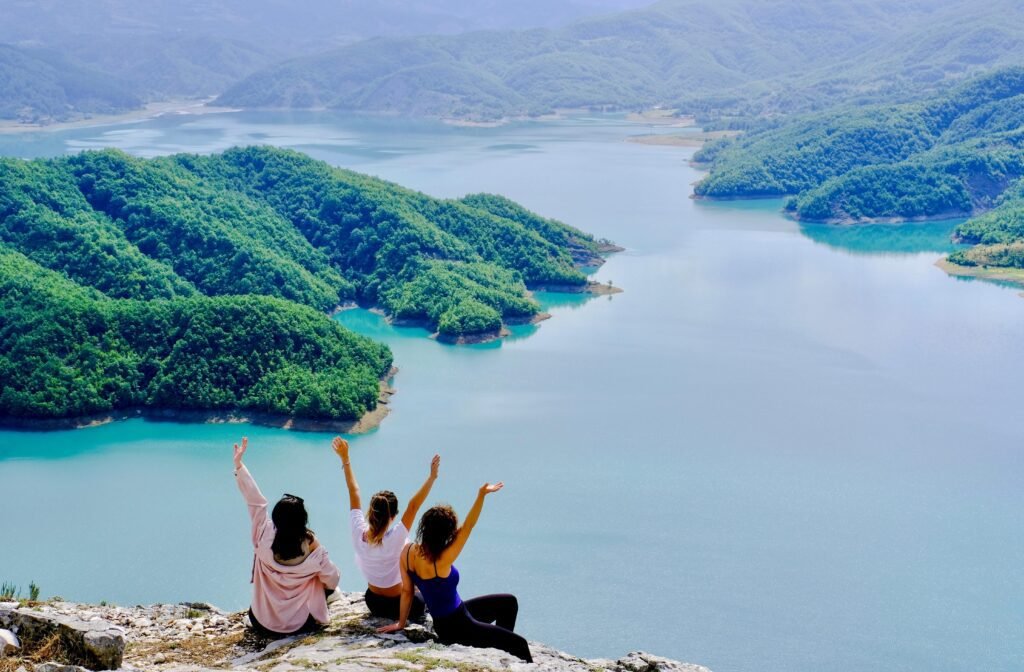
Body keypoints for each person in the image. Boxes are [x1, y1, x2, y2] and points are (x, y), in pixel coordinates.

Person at [379, 482, 533, 663]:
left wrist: (401, 623)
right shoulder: (443, 559)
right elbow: (468, 526)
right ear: (445, 535)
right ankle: (506, 649)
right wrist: (481, 496)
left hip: (447, 621)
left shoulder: (407, 553)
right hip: (460, 627)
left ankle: (501, 656)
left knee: (508, 603)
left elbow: (407, 592)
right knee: (520, 644)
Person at [234, 437, 340, 637]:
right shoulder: (311, 547)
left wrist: (239, 465)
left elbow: (255, 501)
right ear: (303, 521)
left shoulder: (262, 534)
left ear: (276, 518)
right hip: (298, 625)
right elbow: (332, 579)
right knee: (321, 579)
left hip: (261, 621)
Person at [333, 436, 438, 621]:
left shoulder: (358, 531)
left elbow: (354, 491)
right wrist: (432, 477)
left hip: (373, 602)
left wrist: (345, 459)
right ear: (393, 516)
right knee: (423, 580)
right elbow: (413, 506)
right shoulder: (395, 538)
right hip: (400, 605)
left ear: (370, 513)